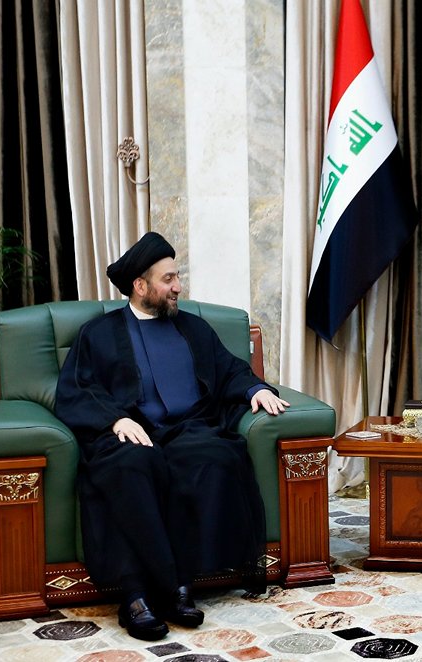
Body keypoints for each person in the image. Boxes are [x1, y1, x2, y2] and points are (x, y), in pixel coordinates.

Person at [55, 232, 290, 641]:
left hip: (188, 429)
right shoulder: (100, 333)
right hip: (129, 432)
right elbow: (77, 389)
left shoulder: (193, 328)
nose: (178, 286)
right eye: (168, 279)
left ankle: (179, 585)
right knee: (130, 466)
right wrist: (114, 420)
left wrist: (255, 389)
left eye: (177, 277)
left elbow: (230, 369)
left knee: (213, 458)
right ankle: (140, 595)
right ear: (140, 286)